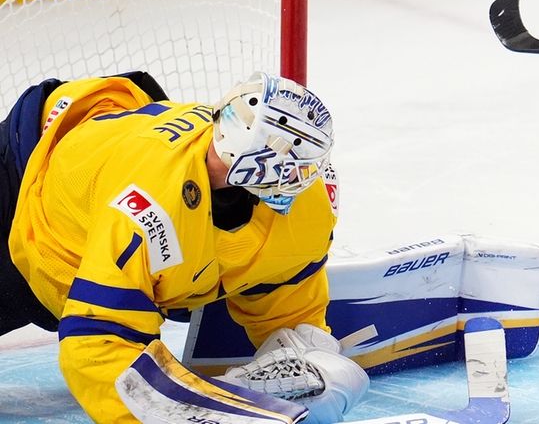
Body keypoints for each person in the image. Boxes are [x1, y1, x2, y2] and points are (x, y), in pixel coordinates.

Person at [0, 70, 369, 423]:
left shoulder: (306, 210)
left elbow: (286, 311)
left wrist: (305, 357)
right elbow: (98, 343)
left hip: (109, 140)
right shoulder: (150, 202)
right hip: (28, 184)